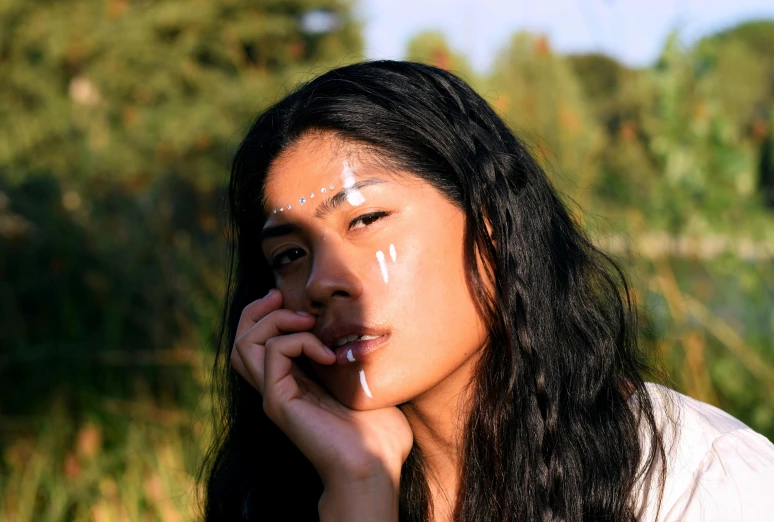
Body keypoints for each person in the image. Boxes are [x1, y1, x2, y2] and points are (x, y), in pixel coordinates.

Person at [199, 61, 774, 521]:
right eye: (290, 255)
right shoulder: (281, 494)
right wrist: (360, 485)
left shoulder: (698, 480)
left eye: (367, 219)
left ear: (494, 224)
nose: (322, 282)